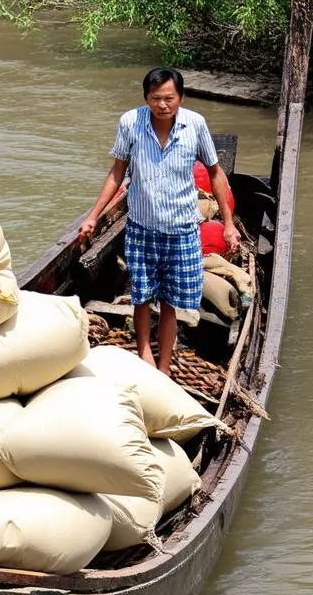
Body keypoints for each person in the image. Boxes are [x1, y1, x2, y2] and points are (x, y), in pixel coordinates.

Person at [78, 67, 239, 374]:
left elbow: (216, 173)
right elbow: (117, 171)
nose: (162, 105)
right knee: (141, 295)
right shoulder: (131, 123)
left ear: (180, 97)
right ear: (146, 98)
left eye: (169, 98)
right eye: (155, 98)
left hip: (182, 230)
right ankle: (144, 354)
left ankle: (164, 364)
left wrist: (228, 223)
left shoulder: (195, 125)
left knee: (170, 301)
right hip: (142, 227)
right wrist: (92, 216)